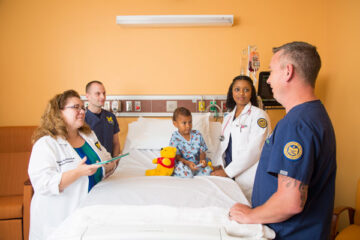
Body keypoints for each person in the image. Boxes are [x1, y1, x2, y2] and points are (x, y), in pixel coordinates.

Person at [229, 42, 336, 240]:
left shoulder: (296, 124)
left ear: (288, 72)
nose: (268, 80)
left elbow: (291, 201)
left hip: (292, 234)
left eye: (271, 71)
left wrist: (251, 215)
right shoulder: (315, 114)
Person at [28, 90, 117, 240]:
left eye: (83, 107)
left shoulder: (89, 135)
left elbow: (106, 158)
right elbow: (43, 184)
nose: (82, 111)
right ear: (58, 112)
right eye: (76, 107)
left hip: (89, 216)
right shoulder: (46, 144)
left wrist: (109, 166)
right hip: (58, 220)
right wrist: (77, 173)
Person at [211, 75, 271, 201]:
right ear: (231, 92)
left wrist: (227, 172)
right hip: (228, 173)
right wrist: (217, 164)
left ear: (251, 93)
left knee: (248, 209)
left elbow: (255, 150)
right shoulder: (228, 117)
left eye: (246, 90)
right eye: (237, 89)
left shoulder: (259, 115)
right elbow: (223, 142)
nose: (241, 94)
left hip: (249, 177)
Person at [169, 107, 213, 178]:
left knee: (208, 170)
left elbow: (202, 151)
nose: (188, 126)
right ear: (175, 124)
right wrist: (188, 163)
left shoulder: (197, 134)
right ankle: (190, 174)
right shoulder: (175, 137)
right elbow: (177, 157)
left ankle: (197, 173)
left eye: (190, 122)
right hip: (184, 164)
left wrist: (202, 160)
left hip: (197, 163)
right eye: (184, 123)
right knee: (185, 173)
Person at [85, 81, 120, 157]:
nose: (103, 97)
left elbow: (116, 143)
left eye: (104, 93)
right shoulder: (82, 119)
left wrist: (115, 162)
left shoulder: (111, 117)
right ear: (88, 96)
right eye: (98, 94)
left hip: (111, 163)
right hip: (93, 164)